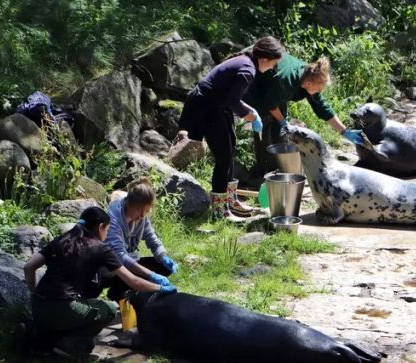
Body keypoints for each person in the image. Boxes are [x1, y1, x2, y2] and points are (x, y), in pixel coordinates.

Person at [23, 206, 176, 362]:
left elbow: (29, 267)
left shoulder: (61, 240)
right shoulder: (101, 248)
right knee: (108, 309)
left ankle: (42, 338)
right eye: (107, 230)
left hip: (38, 307)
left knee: (73, 308)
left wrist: (33, 292)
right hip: (64, 307)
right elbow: (133, 281)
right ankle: (73, 346)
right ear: (101, 227)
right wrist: (161, 288)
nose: (107, 234)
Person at [179, 36, 285, 222]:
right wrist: (251, 115)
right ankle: (220, 211)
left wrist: (250, 110)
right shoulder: (247, 69)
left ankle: (231, 200)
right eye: (273, 63)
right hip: (207, 107)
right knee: (224, 157)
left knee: (231, 147)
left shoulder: (246, 62)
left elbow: (229, 95)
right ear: (264, 59)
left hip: (218, 106)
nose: (273, 67)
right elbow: (232, 100)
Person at [243, 54, 363, 176]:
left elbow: (322, 107)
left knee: (279, 130)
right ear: (309, 84)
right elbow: (270, 104)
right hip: (257, 84)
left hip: (275, 89)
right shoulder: (287, 81)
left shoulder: (310, 77)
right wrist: (282, 121)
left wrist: (344, 131)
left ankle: (278, 166)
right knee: (265, 124)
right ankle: (263, 170)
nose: (320, 92)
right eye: (319, 89)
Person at [91, 178, 180, 303]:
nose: (143, 216)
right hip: (111, 269)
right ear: (128, 204)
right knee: (143, 273)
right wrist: (151, 275)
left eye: (146, 212)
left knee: (162, 267)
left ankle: (120, 291)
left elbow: (152, 238)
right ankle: (119, 291)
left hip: (131, 261)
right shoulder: (112, 220)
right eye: (140, 211)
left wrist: (163, 256)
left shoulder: (141, 217)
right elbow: (120, 258)